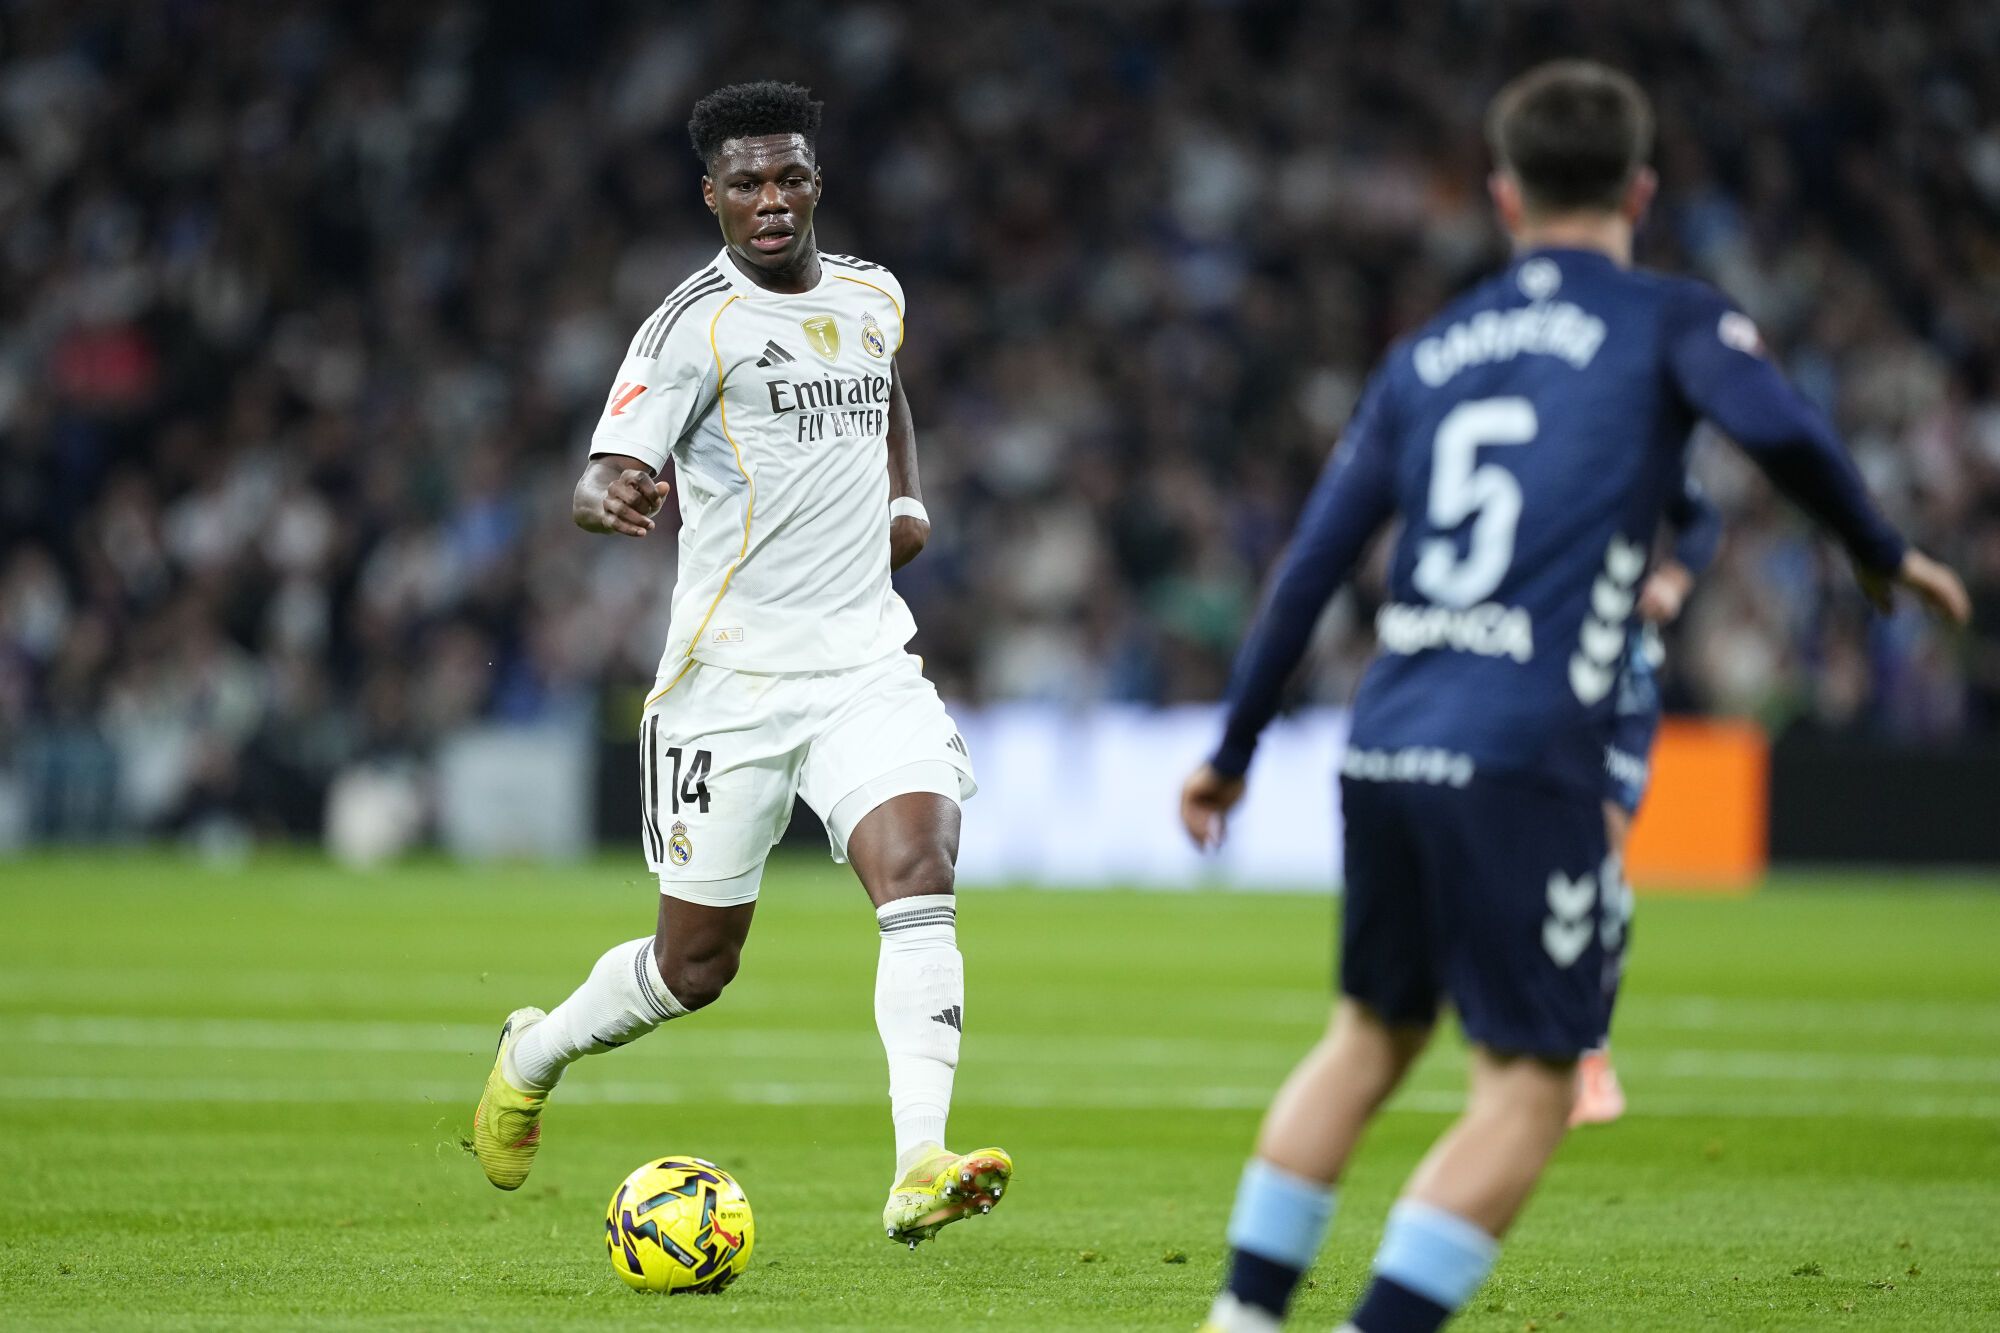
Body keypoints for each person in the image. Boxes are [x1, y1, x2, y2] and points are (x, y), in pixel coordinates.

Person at [1180, 60, 1969, 1333]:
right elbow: (1777, 429)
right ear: (1640, 191)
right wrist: (1877, 554)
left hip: (1386, 740)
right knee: (1527, 1089)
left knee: (1365, 1042)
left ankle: (1241, 1317)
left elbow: (1313, 563)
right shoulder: (1667, 318)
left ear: (1501, 197)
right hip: (1524, 747)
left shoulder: (1428, 351)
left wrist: (1229, 749)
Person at [470, 81, 1010, 1248]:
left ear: (818, 181)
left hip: (865, 661)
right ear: (709, 196)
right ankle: (536, 1048)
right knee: (693, 966)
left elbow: (888, 389)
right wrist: (602, 494)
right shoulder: (684, 329)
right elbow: (599, 468)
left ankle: (920, 1159)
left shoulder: (874, 296)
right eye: (746, 184)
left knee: (918, 870)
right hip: (731, 685)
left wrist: (904, 498)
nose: (771, 202)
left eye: (790, 178)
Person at [1574, 474, 1720, 1126]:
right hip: (1532, 672)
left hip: (1620, 680)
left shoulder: (1633, 433)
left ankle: (1590, 1055)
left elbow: (1701, 517)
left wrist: (1674, 581)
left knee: (1603, 856)